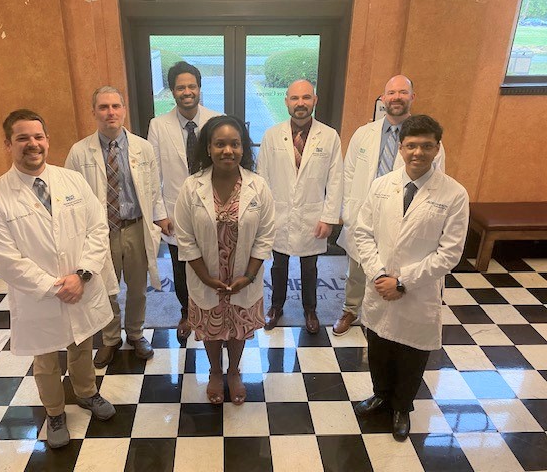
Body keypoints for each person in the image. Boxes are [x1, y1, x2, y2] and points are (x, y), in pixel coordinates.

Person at [0, 109, 116, 449]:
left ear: (48, 141)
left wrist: (81, 275)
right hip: (39, 296)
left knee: (82, 343)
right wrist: (54, 287)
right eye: (22, 138)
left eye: (38, 137)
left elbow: (98, 229)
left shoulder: (72, 181)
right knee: (46, 358)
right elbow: (5, 259)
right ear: (8, 144)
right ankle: (54, 412)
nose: (33, 144)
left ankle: (87, 392)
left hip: (80, 284)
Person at [353, 115, 469, 441]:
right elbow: (363, 233)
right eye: (412, 145)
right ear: (401, 147)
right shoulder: (381, 185)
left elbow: (449, 253)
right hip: (380, 286)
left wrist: (403, 282)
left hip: (418, 292)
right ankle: (381, 395)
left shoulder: (454, 194)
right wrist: (379, 274)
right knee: (378, 347)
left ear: (437, 148)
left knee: (411, 354)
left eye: (426, 146)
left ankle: (402, 407)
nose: (418, 152)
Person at [334, 75, 446, 336]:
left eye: (403, 92)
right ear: (383, 98)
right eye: (391, 93)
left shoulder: (426, 140)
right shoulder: (364, 133)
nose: (396, 98)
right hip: (364, 213)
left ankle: (384, 315)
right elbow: (348, 174)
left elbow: (435, 182)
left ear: (412, 97)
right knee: (357, 268)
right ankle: (351, 309)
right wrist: (348, 213)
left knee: (393, 267)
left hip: (403, 216)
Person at [174, 115, 275, 405]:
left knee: (239, 326)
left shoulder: (258, 186)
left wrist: (249, 276)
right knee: (211, 326)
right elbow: (185, 237)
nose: (227, 150)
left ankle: (233, 371)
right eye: (220, 144)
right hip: (206, 275)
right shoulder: (191, 187)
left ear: (243, 148)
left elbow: (266, 236)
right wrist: (205, 277)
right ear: (208, 148)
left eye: (235, 144)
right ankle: (216, 371)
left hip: (244, 276)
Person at [65, 86, 169, 365]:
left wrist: (160, 219)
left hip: (135, 227)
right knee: (105, 288)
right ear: (94, 112)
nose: (110, 112)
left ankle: (135, 333)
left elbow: (154, 190)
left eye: (115, 106)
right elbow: (70, 197)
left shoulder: (143, 148)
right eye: (103, 107)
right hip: (100, 233)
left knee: (137, 287)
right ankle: (110, 338)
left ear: (124, 110)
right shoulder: (79, 152)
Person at [257, 79, 343, 334]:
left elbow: (336, 180)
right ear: (286, 102)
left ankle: (310, 309)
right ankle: (276, 306)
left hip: (312, 215)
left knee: (309, 266)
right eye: (295, 98)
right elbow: (262, 178)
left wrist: (329, 217)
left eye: (306, 97)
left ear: (315, 100)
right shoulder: (272, 135)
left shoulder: (329, 136)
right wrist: (263, 216)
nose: (300, 103)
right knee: (278, 265)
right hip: (279, 213)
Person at [147, 61, 221, 344]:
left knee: (212, 263)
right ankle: (187, 313)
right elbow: (153, 174)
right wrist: (159, 214)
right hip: (175, 211)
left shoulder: (216, 120)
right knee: (181, 267)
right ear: (172, 91)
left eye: (191, 86)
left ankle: (212, 309)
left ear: (199, 88)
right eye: (180, 87)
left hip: (212, 208)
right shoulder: (158, 126)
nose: (187, 92)